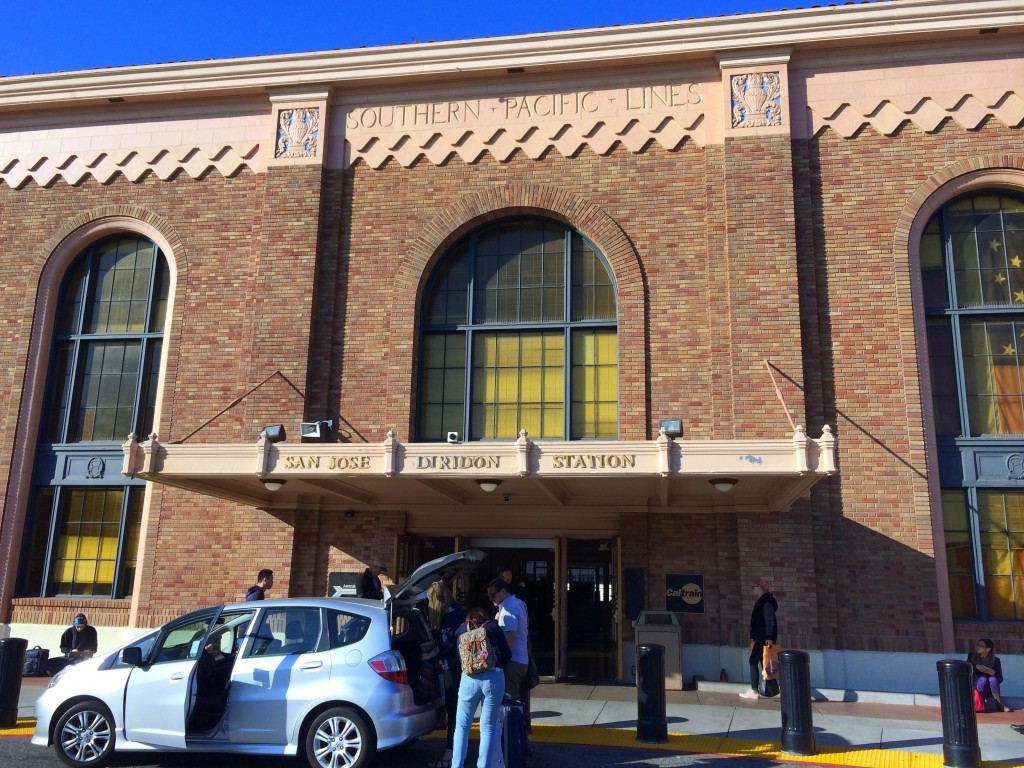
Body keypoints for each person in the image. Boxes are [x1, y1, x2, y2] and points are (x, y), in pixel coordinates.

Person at [451, 607, 511, 768]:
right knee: (488, 727)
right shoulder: (493, 627)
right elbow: (507, 654)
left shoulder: (461, 631)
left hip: (469, 679)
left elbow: (460, 659)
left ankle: (456, 765)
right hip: (493, 677)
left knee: (462, 726)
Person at [427, 581, 466, 768]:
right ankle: (455, 752)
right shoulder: (457, 609)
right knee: (456, 710)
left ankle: (450, 754)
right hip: (458, 664)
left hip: (453, 665)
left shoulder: (450, 614)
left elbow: (446, 642)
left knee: (453, 709)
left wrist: (430, 653)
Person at [488, 577, 530, 702]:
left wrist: (501, 660)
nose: (491, 599)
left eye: (493, 595)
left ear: (503, 591)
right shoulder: (519, 603)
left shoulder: (508, 609)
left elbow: (511, 636)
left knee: (509, 702)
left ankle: (514, 721)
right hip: (521, 658)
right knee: (517, 700)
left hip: (513, 661)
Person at [740, 576, 778, 699]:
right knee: (763, 662)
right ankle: (768, 688)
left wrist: (769, 637)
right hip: (760, 638)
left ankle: (754, 690)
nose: (752, 589)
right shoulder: (762, 601)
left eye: (754, 587)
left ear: (759, 588)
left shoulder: (765, 602)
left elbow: (769, 620)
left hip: (763, 639)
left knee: (753, 661)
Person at [969, 638, 1011, 712]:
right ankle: (980, 705)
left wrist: (992, 673)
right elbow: (968, 671)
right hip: (977, 686)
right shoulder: (972, 656)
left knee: (993, 678)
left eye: (981, 645)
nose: (978, 647)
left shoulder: (995, 660)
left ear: (988, 649)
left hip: (991, 688)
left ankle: (999, 705)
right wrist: (975, 668)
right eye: (978, 644)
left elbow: (1000, 678)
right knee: (982, 678)